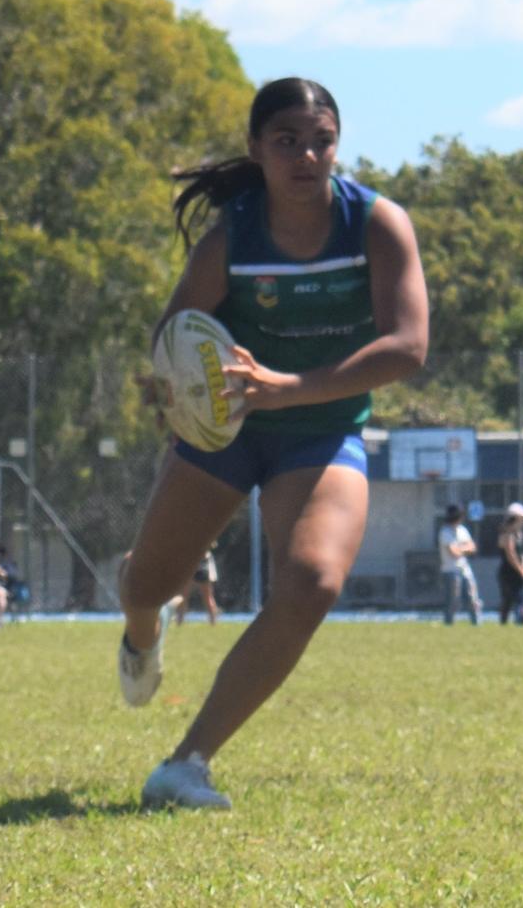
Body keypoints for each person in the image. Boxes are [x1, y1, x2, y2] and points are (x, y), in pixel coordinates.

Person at [118, 76, 429, 809]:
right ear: (257, 150)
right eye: (287, 141)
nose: (307, 155)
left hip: (319, 430)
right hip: (225, 433)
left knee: (313, 582)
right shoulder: (232, 239)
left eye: (321, 141)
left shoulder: (378, 225)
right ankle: (141, 627)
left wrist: (291, 387)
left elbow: (408, 346)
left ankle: (186, 763)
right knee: (148, 586)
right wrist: (180, 387)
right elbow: (172, 333)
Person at [438, 504, 482, 625]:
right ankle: (449, 623)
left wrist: (460, 547)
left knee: (472, 597)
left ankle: (476, 622)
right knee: (453, 600)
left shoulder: (462, 530)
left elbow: (473, 547)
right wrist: (464, 547)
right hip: (450, 570)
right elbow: (454, 553)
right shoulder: (445, 532)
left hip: (465, 569)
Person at [497, 502, 523, 625]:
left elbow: (522, 553)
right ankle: (509, 623)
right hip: (508, 573)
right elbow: (510, 555)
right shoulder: (507, 535)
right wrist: (520, 570)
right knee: (510, 600)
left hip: (517, 573)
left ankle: (520, 622)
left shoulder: (519, 534)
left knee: (519, 598)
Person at [174, 543, 220, 626]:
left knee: (207, 596)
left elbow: (213, 544)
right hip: (190, 561)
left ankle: (213, 621)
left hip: (202, 562)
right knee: (183, 595)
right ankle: (179, 621)